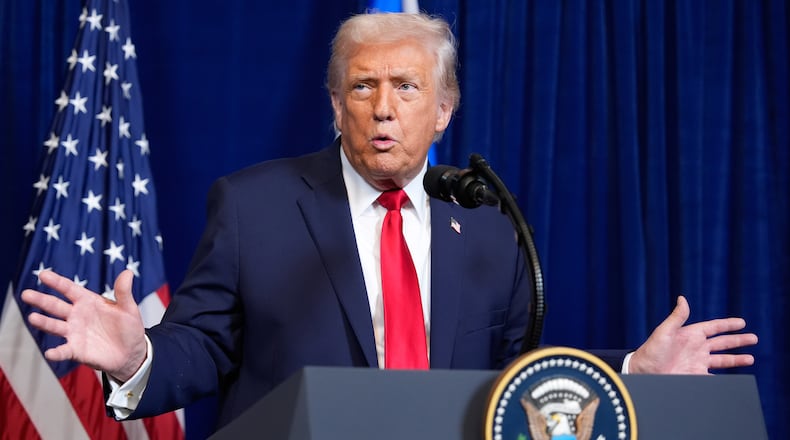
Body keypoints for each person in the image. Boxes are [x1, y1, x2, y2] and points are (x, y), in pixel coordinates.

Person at [21, 12, 757, 431]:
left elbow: (511, 392)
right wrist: (133, 356)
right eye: (362, 87)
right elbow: (203, 348)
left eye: (406, 87)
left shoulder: (490, 235)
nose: (382, 108)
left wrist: (632, 375)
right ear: (336, 105)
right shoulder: (254, 207)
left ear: (443, 109)